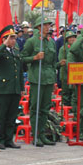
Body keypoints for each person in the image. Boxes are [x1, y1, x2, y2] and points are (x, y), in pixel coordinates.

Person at [21, 17, 57, 146]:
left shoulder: (51, 42)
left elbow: (53, 63)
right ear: (38, 27)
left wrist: (54, 81)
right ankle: (35, 135)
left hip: (48, 78)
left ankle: (42, 133)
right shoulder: (32, 41)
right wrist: (34, 57)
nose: (48, 27)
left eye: (49, 25)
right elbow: (23, 58)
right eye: (45, 25)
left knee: (45, 108)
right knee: (35, 107)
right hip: (37, 77)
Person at [0, 25, 24, 150]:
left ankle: (9, 139)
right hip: (3, 89)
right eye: (10, 38)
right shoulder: (1, 51)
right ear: (4, 39)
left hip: (14, 89)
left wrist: (21, 87)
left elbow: (19, 71)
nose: (13, 41)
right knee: (1, 116)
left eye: (14, 38)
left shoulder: (15, 52)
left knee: (11, 116)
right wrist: (3, 44)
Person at [58, 31, 76, 108]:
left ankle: (72, 107)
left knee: (74, 93)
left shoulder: (77, 48)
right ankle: (66, 108)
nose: (72, 39)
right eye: (70, 38)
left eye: (73, 37)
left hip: (75, 74)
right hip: (65, 74)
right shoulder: (63, 49)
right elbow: (62, 61)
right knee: (66, 93)